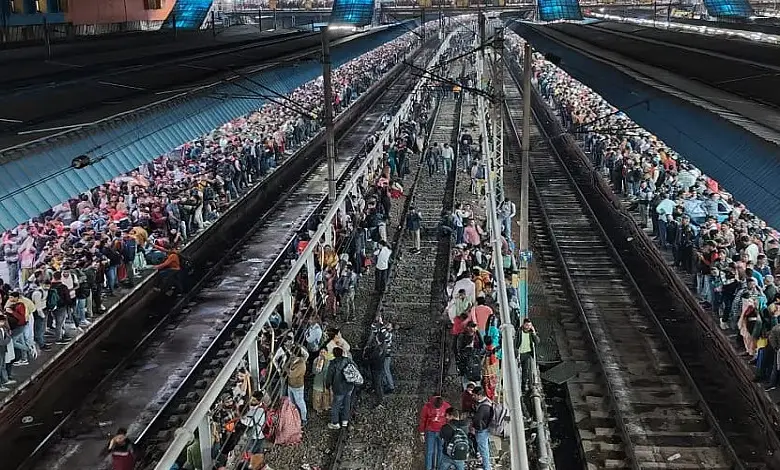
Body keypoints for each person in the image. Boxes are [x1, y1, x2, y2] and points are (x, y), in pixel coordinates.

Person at [419, 395, 451, 470]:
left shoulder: (447, 406)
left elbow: (450, 419)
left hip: (442, 432)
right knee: (429, 451)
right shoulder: (427, 406)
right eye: (436, 407)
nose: (437, 409)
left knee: (441, 450)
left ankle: (439, 467)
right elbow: (423, 420)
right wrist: (422, 433)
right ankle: (428, 468)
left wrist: (449, 431)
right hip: (430, 431)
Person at [326, 346, 354, 430]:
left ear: (334, 354)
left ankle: (335, 423)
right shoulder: (348, 360)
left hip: (339, 389)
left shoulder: (333, 363)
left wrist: (327, 385)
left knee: (336, 406)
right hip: (349, 386)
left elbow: (329, 377)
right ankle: (345, 421)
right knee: (346, 403)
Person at [286, 346, 309, 426]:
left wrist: (286, 369)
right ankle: (294, 416)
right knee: (291, 401)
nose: (290, 354)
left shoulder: (301, 365)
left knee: (300, 402)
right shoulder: (294, 360)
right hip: (291, 384)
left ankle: (304, 418)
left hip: (297, 386)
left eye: (292, 353)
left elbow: (291, 374)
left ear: (295, 354)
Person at [471, 387, 493, 470]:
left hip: (481, 430)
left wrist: (474, 428)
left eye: (474, 395)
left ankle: (487, 467)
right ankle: (485, 464)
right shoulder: (487, 401)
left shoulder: (483, 407)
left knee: (483, 450)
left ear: (479, 395)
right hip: (486, 428)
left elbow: (477, 420)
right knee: (485, 448)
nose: (473, 397)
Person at [518, 318, 539, 393]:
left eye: (529, 326)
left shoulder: (531, 333)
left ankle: (524, 385)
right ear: (523, 324)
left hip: (527, 353)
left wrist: (534, 333)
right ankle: (519, 383)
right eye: (527, 325)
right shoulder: (519, 332)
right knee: (518, 369)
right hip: (520, 354)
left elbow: (537, 342)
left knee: (525, 370)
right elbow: (516, 342)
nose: (528, 327)